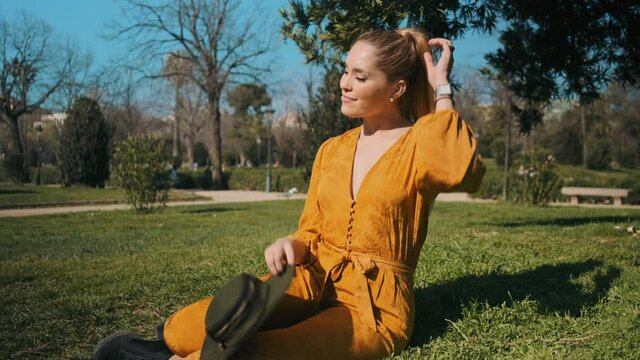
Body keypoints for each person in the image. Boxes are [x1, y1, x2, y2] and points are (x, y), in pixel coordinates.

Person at [96, 28, 485, 360]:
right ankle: (162, 350)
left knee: (254, 351)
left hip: (372, 309)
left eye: (360, 77)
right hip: (310, 277)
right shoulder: (332, 150)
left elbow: (457, 169)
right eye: (345, 70)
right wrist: (290, 245)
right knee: (182, 328)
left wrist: (441, 89)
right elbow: (311, 231)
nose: (343, 83)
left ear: (397, 88)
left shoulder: (421, 142)